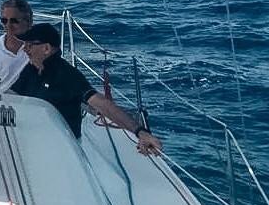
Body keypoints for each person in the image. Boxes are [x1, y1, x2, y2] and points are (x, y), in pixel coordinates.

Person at [9, 23, 164, 155]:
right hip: (32, 137)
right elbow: (11, 96)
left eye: (29, 45)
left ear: (47, 49)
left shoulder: (67, 74)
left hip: (63, 146)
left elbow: (102, 104)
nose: (25, 49)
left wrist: (140, 132)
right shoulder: (32, 69)